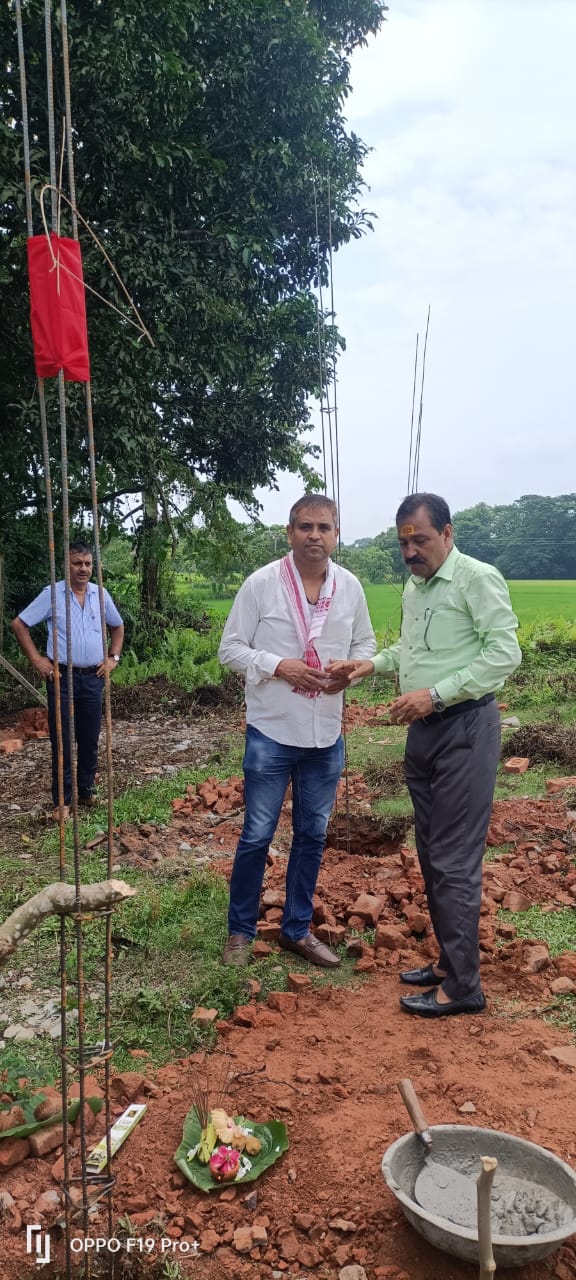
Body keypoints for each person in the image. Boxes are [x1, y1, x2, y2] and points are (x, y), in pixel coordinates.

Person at [327, 493, 521, 1017]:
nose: (411, 551)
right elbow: (412, 651)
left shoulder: (476, 579)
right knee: (433, 853)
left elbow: (504, 653)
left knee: (455, 860)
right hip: (424, 732)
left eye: (421, 540)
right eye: (403, 542)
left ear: (448, 534)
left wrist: (434, 696)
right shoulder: (416, 587)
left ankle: (464, 986)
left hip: (465, 728)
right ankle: (448, 962)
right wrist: (370, 665)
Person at [218, 494, 376, 968]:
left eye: (324, 527)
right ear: (289, 533)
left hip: (325, 733)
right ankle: (240, 933)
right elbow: (230, 649)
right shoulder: (261, 583)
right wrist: (278, 665)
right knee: (256, 834)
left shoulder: (349, 587)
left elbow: (366, 645)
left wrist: (352, 672)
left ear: (336, 535)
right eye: (305, 526)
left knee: (312, 835)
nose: (314, 535)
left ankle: (296, 930)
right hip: (272, 729)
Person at [11, 539, 124, 820]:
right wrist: (37, 660)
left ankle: (85, 791)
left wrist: (113, 657)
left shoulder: (100, 594)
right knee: (62, 740)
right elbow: (19, 624)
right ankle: (62, 800)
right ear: (66, 565)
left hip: (93, 677)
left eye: (87, 564)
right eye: (77, 563)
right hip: (61, 676)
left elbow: (118, 625)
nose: (83, 569)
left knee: (89, 738)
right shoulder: (53, 594)